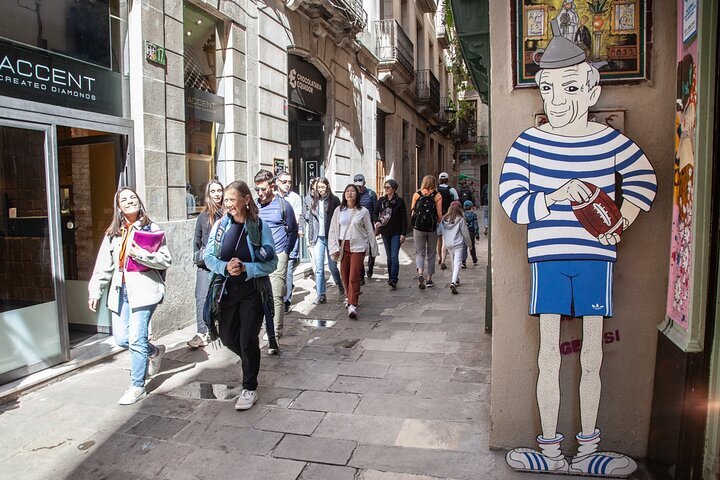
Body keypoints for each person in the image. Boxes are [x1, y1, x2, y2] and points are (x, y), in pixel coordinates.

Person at [501, 20, 656, 476]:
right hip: (548, 259)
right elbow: (512, 201)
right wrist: (552, 197)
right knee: (547, 354)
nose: (557, 101)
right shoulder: (529, 144)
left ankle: (587, 451)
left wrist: (618, 221)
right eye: (548, 89)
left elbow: (645, 178)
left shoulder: (610, 142)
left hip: (594, 259)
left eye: (569, 88)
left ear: (591, 90)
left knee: (593, 354)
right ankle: (550, 450)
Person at [88, 187, 172, 405]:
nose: (129, 201)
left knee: (135, 338)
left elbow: (165, 259)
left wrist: (140, 254)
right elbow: (103, 265)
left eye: (133, 198)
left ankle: (137, 385)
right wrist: (95, 291)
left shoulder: (151, 229)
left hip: (144, 290)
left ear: (139, 202)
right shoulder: (114, 233)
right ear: (119, 207)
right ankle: (154, 351)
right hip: (120, 291)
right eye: (124, 199)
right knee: (122, 339)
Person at [203, 181, 278, 410]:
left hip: (252, 292)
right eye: (226, 200)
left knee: (247, 338)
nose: (228, 204)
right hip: (226, 292)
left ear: (246, 200)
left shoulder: (259, 226)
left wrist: (247, 267)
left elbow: (272, 262)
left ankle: (249, 387)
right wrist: (226, 267)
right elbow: (208, 257)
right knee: (227, 337)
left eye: (232, 199)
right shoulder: (220, 227)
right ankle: (250, 358)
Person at [254, 169, 298, 340]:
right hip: (259, 257)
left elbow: (293, 230)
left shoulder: (283, 205)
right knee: (260, 294)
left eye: (263, 189)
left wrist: (286, 252)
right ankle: (263, 325)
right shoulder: (255, 206)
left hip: (279, 254)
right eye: (257, 189)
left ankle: (275, 331)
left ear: (272, 186)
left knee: (276, 294)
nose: (260, 193)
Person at [328, 184, 378, 318]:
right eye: (347, 191)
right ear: (344, 194)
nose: (349, 193)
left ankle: (352, 304)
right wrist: (333, 247)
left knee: (354, 276)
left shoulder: (363, 212)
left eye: (352, 191)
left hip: (358, 246)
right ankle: (349, 296)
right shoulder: (338, 210)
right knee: (344, 275)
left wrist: (373, 248)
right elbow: (333, 229)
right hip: (343, 246)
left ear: (357, 194)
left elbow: (369, 230)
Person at [188, 180, 224, 348]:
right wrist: (199, 257)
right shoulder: (203, 217)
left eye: (219, 191)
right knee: (201, 297)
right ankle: (202, 332)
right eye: (213, 191)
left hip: (223, 263)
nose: (217, 194)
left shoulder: (228, 215)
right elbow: (197, 241)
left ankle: (218, 327)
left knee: (221, 297)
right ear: (208, 194)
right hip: (205, 265)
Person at [307, 177, 343, 303]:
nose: (320, 190)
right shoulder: (313, 200)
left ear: (327, 186)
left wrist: (339, 238)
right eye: (318, 187)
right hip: (318, 238)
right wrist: (311, 238)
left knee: (333, 267)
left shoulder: (335, 200)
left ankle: (340, 285)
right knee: (319, 267)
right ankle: (321, 294)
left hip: (331, 237)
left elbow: (339, 220)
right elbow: (311, 221)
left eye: (323, 187)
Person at [275, 170, 302, 313]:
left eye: (289, 182)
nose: (287, 184)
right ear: (277, 182)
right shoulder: (272, 197)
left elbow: (295, 222)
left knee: (288, 270)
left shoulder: (295, 198)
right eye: (284, 181)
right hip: (275, 242)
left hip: (290, 240)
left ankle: (285, 300)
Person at [373, 178, 407, 289]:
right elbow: (374, 213)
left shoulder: (399, 201)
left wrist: (403, 233)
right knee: (388, 257)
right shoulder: (382, 200)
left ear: (394, 189)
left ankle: (393, 279)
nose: (386, 189)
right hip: (385, 231)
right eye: (385, 187)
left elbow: (404, 218)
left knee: (394, 256)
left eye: (388, 187)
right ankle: (390, 278)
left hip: (396, 232)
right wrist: (377, 221)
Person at [411, 175, 443, 290]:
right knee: (431, 253)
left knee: (419, 252)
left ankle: (420, 273)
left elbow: (413, 211)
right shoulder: (437, 195)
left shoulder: (417, 194)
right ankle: (429, 279)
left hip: (418, 228)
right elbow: (439, 214)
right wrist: (440, 222)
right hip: (431, 228)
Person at [437, 201, 471, 294]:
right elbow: (466, 234)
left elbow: (439, 231)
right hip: (458, 244)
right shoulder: (461, 220)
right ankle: (453, 282)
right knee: (457, 263)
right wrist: (469, 245)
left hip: (448, 244)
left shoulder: (444, 219)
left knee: (453, 261)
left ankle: (456, 278)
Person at [354, 174, 378, 284]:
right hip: (358, 227)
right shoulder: (352, 194)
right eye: (357, 185)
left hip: (369, 224)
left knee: (372, 247)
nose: (359, 187)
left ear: (364, 183)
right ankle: (361, 275)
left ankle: (371, 266)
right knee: (360, 250)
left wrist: (376, 224)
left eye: (360, 184)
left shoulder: (371, 194)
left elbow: (375, 210)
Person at [436, 171, 458, 270]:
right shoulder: (451, 190)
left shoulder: (435, 190)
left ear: (439, 180)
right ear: (448, 180)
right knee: (445, 239)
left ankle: (439, 257)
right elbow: (456, 202)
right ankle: (444, 260)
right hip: (447, 216)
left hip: (437, 216)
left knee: (439, 238)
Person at [461, 200, 479, 267]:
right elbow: (476, 225)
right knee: (472, 246)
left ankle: (463, 261)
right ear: (471, 207)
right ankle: (474, 260)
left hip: (464, 232)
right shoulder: (473, 215)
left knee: (464, 246)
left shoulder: (462, 214)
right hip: (471, 232)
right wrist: (477, 234)